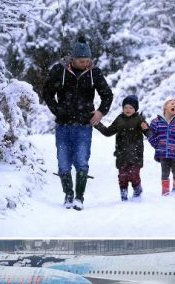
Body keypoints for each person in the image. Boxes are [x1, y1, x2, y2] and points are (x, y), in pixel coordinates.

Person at [42, 36, 113, 210]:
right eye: (81, 61)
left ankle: (79, 197)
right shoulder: (59, 70)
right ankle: (68, 195)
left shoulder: (94, 72)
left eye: (88, 60)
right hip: (63, 125)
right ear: (73, 59)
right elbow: (47, 92)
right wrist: (58, 110)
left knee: (81, 161)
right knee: (63, 163)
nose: (85, 64)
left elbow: (107, 95)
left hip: (84, 125)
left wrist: (100, 112)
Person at [93, 95, 151, 201]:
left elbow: (149, 134)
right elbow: (107, 132)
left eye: (131, 108)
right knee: (122, 176)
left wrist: (146, 129)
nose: (128, 110)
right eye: (125, 107)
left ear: (135, 109)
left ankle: (137, 189)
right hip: (121, 154)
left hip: (136, 154)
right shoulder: (119, 119)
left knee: (134, 175)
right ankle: (123, 194)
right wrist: (97, 124)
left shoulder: (139, 119)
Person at [148, 98, 175, 195]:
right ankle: (165, 191)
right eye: (172, 104)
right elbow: (150, 134)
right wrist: (156, 144)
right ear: (165, 107)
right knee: (165, 173)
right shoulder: (156, 122)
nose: (174, 106)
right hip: (162, 153)